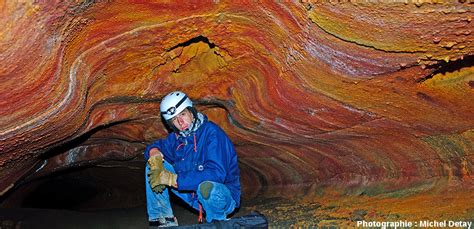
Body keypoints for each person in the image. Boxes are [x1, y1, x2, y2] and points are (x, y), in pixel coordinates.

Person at [144, 91, 241, 227]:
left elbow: (216, 174)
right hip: (193, 198)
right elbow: (155, 146)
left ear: (191, 111)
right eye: (174, 120)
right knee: (153, 166)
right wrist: (153, 152)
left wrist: (173, 180)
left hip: (221, 197)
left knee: (207, 187)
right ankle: (164, 220)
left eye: (182, 114)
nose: (180, 122)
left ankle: (217, 220)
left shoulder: (212, 133)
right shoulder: (176, 139)